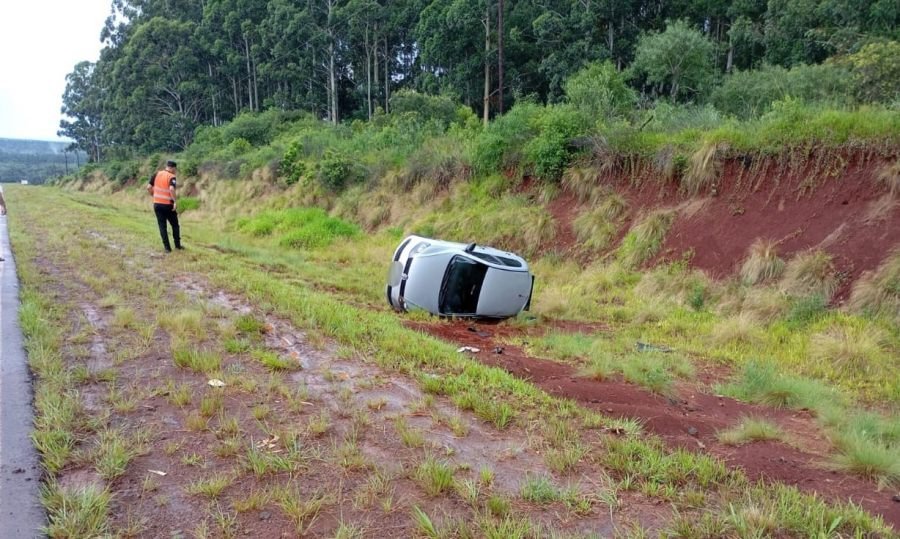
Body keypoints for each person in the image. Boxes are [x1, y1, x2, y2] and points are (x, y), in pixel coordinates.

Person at [147, 160, 182, 252]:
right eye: (175, 169)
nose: (175, 171)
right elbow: (171, 188)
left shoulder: (157, 174)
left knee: (162, 226)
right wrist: (175, 201)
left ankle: (167, 248)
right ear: (173, 168)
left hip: (157, 204)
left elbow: (148, 187)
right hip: (168, 205)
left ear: (167, 166)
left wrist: (153, 195)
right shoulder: (172, 176)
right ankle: (178, 246)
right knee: (175, 225)